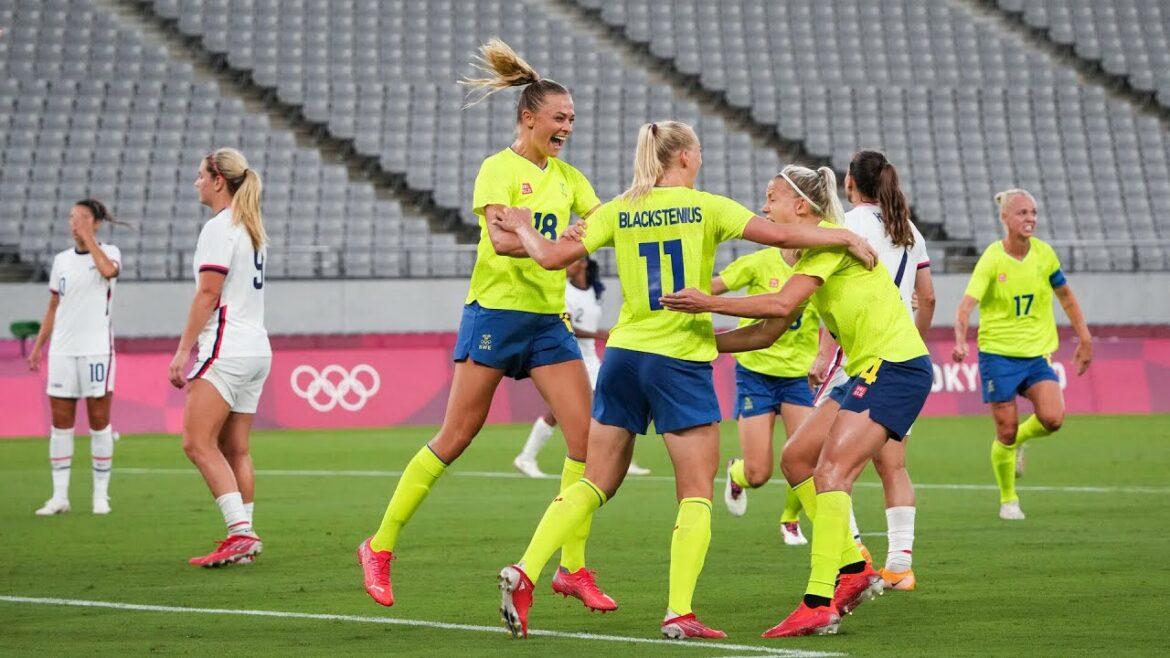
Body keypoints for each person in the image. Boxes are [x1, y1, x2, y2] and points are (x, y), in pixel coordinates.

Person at [491, 121, 879, 640]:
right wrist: (844, 236)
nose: (702, 156)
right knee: (695, 491)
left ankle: (525, 569)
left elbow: (550, 257)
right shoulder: (707, 206)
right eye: (698, 148)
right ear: (686, 158)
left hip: (624, 354)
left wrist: (520, 225)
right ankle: (678, 612)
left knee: (594, 481)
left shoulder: (618, 207)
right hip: (679, 359)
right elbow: (785, 235)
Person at [357, 39, 617, 613]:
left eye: (572, 118)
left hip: (548, 324)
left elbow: (597, 224)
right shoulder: (496, 170)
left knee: (586, 441)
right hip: (495, 316)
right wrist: (549, 241)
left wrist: (569, 233)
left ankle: (571, 568)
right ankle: (379, 546)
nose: (567, 127)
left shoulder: (569, 177)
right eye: (559, 117)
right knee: (456, 438)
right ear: (529, 119)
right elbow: (500, 241)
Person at [660, 163, 932, 637]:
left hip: (894, 366)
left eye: (771, 198)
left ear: (800, 206)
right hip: (862, 367)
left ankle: (819, 599)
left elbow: (780, 306)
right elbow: (768, 332)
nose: (765, 208)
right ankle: (853, 567)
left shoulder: (828, 241)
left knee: (831, 472)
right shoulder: (817, 251)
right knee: (797, 458)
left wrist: (709, 303)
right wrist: (703, 345)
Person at [806, 150, 935, 591]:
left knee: (823, 462)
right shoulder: (910, 231)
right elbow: (929, 298)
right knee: (893, 465)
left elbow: (838, 292)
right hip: (903, 351)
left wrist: (824, 354)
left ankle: (853, 553)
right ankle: (900, 564)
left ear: (849, 183)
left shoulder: (850, 226)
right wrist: (913, 334)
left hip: (860, 352)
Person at [953, 188, 1092, 520]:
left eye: (1033, 213)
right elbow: (965, 307)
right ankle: (1008, 499)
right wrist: (960, 341)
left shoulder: (1045, 255)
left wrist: (1084, 338)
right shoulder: (992, 258)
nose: (1030, 219)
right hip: (998, 355)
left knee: (1053, 419)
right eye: (1022, 213)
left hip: (1035, 355)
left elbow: (1067, 298)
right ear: (1005, 218)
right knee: (1005, 431)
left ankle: (1018, 444)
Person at [169, 148, 271, 567]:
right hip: (257, 348)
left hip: (225, 346)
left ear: (217, 181)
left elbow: (209, 293)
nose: (195, 182)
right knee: (236, 448)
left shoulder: (219, 228)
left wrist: (181, 351)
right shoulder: (252, 229)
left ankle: (240, 533)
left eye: (199, 176)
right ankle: (242, 541)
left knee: (196, 442)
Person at [710, 229, 821, 546]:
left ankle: (790, 519)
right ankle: (737, 473)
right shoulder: (759, 262)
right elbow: (715, 287)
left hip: (797, 377)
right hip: (755, 372)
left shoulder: (820, 268)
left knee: (805, 458)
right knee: (758, 474)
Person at [513, 256, 651, 478]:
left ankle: (621, 459)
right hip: (570, 355)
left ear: (584, 263)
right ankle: (526, 457)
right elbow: (563, 323)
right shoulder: (564, 290)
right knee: (571, 409)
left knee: (606, 403)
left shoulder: (593, 291)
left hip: (590, 356)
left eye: (572, 260)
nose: (566, 264)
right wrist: (599, 335)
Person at [28, 199, 122, 516]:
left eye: (82, 217)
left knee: (99, 424)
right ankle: (59, 496)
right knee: (61, 426)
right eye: (71, 217)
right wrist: (40, 345)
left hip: (97, 350)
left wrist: (90, 241)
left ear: (96, 223)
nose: (75, 223)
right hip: (63, 352)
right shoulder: (61, 261)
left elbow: (108, 271)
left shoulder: (109, 253)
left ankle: (100, 496)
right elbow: (54, 307)